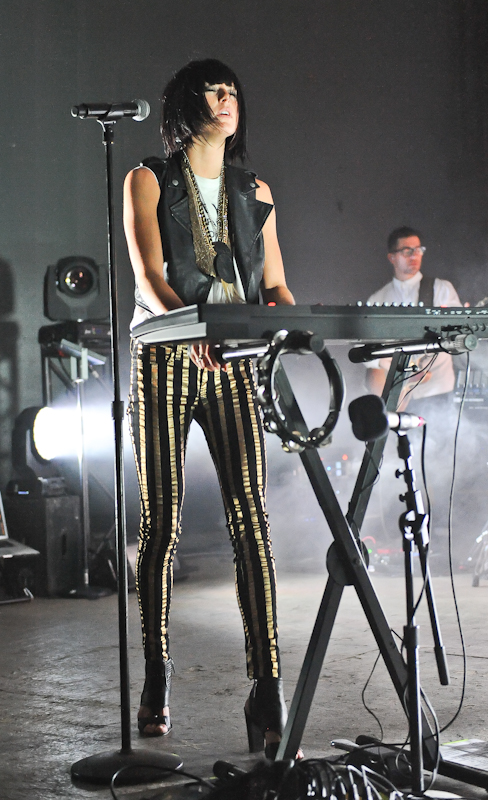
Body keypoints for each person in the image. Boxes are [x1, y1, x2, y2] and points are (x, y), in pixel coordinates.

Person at [123, 59, 295, 754]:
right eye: (212, 92)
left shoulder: (256, 189)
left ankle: (269, 684)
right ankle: (157, 672)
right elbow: (149, 274)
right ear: (185, 106)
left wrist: (282, 326)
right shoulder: (148, 177)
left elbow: (277, 282)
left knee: (250, 517)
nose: (226, 101)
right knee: (160, 520)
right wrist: (194, 329)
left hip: (234, 361)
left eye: (232, 92)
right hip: (166, 353)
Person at [365, 226, 461, 408]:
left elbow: (456, 333)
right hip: (397, 396)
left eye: (418, 250)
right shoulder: (377, 300)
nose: (414, 256)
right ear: (392, 257)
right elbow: (370, 357)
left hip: (436, 391)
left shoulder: (440, 290)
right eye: (407, 251)